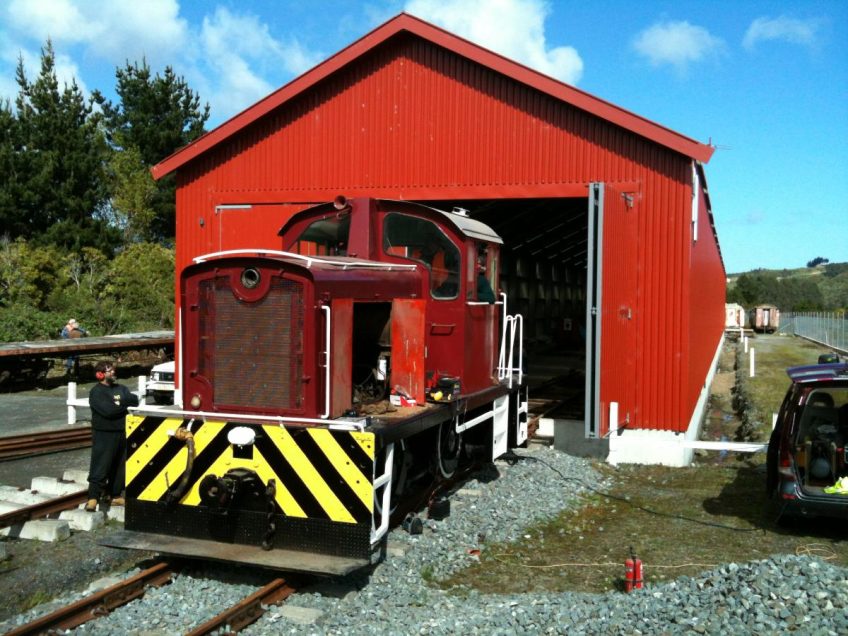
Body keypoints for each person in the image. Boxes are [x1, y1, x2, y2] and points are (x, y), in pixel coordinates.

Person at [86, 361, 139, 512]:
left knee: (120, 466)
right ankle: (93, 498)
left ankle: (115, 495)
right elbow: (108, 411)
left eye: (113, 370)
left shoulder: (121, 388)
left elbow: (134, 400)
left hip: (122, 432)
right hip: (104, 434)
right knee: (101, 465)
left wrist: (118, 404)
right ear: (100, 374)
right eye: (109, 370)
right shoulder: (96, 392)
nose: (113, 372)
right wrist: (123, 405)